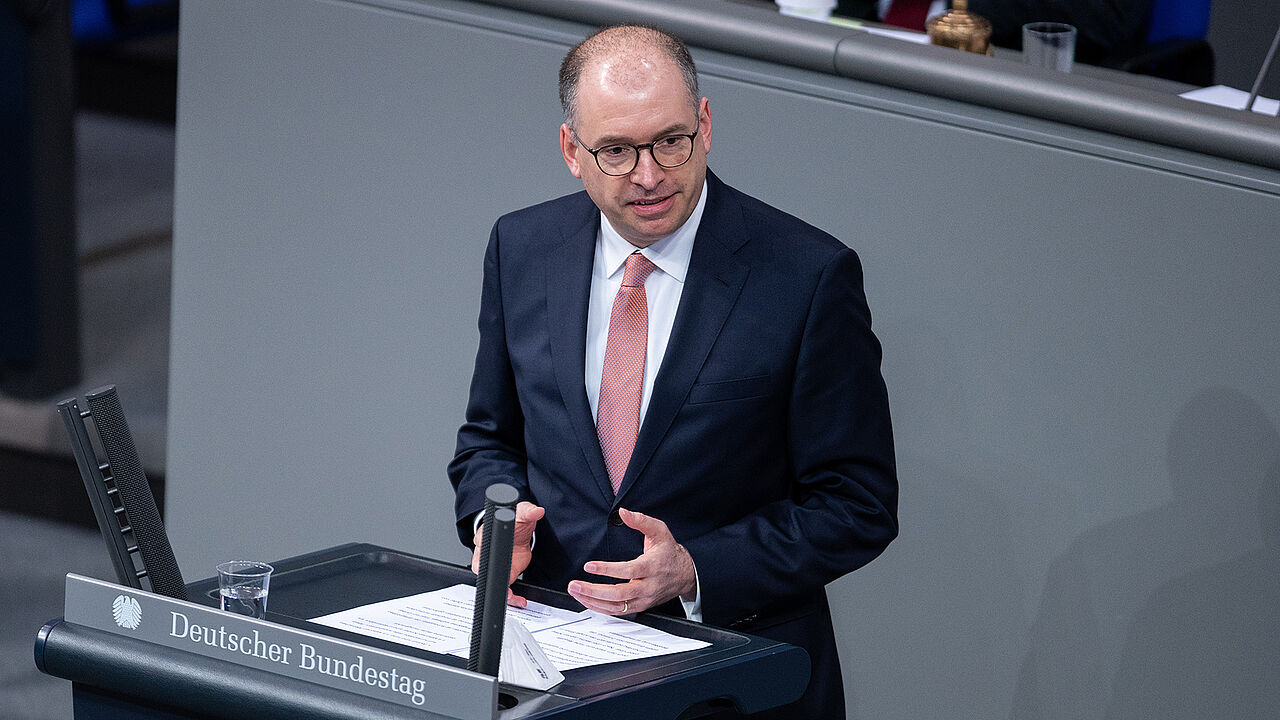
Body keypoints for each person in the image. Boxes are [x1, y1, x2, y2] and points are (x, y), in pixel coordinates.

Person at [448, 24, 898, 717]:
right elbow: (488, 440)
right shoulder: (522, 247)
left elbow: (857, 504)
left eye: (671, 140)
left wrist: (697, 567)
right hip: (550, 681)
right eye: (618, 151)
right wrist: (494, 522)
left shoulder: (806, 276)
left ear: (706, 124)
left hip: (732, 685)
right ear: (573, 150)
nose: (651, 174)